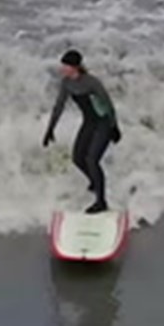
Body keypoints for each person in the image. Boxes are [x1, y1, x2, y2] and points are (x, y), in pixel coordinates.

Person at [42, 50, 121, 214]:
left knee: (92, 160)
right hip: (89, 123)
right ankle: (95, 181)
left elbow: (108, 105)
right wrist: (50, 129)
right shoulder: (66, 83)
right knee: (78, 158)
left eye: (66, 66)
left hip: (103, 123)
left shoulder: (92, 83)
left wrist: (114, 126)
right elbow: (59, 107)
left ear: (75, 67)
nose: (63, 68)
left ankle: (101, 202)